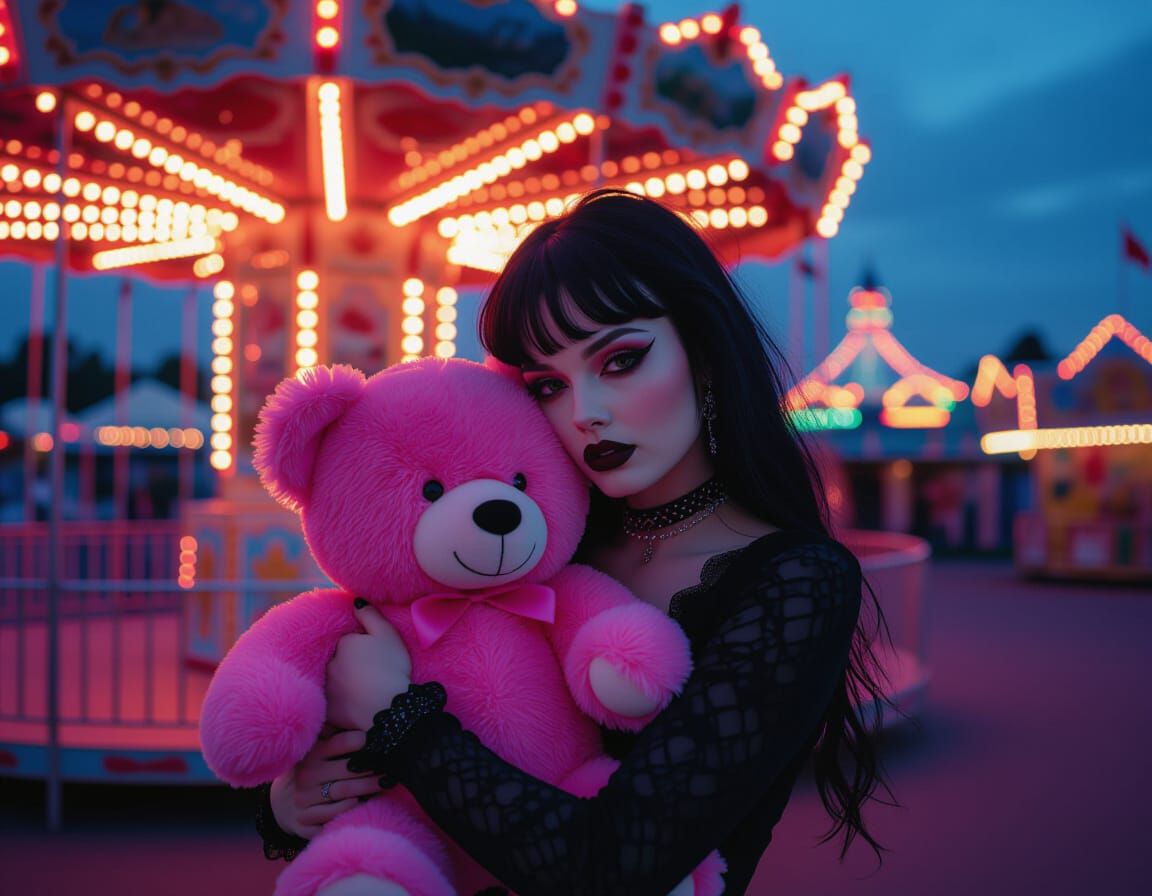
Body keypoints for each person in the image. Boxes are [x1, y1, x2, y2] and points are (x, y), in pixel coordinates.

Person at [260, 189, 893, 895]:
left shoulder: (796, 583)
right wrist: (300, 802)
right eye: (545, 385)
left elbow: (618, 864)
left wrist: (401, 720)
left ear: (705, 352)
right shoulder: (543, 542)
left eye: (620, 360)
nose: (584, 413)